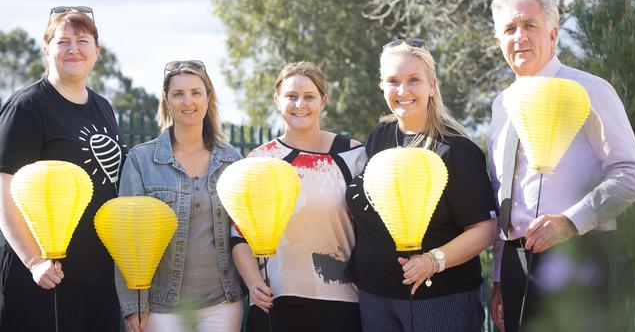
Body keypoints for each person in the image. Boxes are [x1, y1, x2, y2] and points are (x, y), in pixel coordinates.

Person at [487, 0, 635, 332]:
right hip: (516, 269)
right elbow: (501, 193)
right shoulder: (500, 106)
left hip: (579, 258)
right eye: (509, 29)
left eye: (530, 25)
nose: (520, 37)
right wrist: (499, 278)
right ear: (499, 39)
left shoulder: (589, 91)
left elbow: (631, 174)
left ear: (553, 33)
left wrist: (571, 221)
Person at [345, 39, 498, 331]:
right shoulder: (380, 135)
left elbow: (484, 230)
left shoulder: (456, 150)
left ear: (432, 85)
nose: (403, 91)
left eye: (413, 80)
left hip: (440, 302)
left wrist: (432, 261)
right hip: (375, 298)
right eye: (393, 81)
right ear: (382, 85)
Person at [0, 7, 124, 331]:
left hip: (98, 276)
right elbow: (4, 193)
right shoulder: (27, 107)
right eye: (63, 41)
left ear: (96, 51)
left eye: (83, 41)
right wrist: (35, 262)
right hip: (45, 279)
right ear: (47, 49)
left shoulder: (104, 108)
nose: (73, 49)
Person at [231, 61, 367, 332]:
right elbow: (238, 234)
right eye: (291, 96)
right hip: (276, 301)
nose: (299, 104)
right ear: (277, 100)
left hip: (344, 303)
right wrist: (253, 282)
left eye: (309, 97)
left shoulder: (353, 156)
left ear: (323, 101)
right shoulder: (260, 160)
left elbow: (370, 229)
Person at [116, 60, 244, 332]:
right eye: (178, 94)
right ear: (167, 101)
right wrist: (133, 304)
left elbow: (242, 232)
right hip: (162, 307)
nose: (188, 101)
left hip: (222, 304)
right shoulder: (142, 160)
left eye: (196, 92)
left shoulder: (232, 160)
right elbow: (127, 240)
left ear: (208, 98)